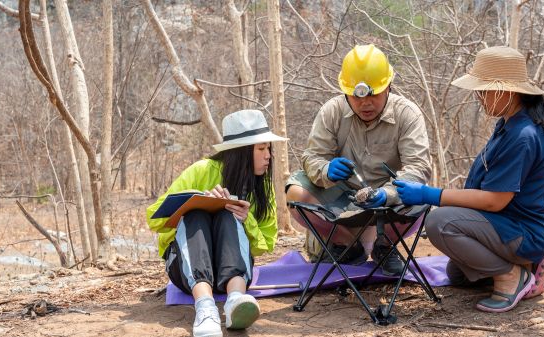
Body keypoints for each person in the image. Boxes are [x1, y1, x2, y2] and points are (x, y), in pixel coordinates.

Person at [394, 46, 544, 313]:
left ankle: (512, 276)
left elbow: (494, 201)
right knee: (459, 275)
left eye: (484, 90)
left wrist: (428, 194)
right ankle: (529, 265)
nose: (479, 97)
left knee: (439, 222)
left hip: (522, 231)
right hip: (505, 225)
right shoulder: (508, 124)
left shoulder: (522, 135)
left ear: (508, 91)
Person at [286, 44, 431, 275]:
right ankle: (347, 246)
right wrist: (325, 170)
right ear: (345, 92)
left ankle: (386, 246)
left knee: (422, 196)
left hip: (389, 200)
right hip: (342, 198)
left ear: (388, 87)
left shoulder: (407, 114)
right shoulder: (332, 111)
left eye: (373, 95)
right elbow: (312, 156)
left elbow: (418, 166)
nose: (365, 103)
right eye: (356, 96)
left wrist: (389, 193)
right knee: (295, 192)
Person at [146, 109, 287, 337]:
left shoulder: (263, 188)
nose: (268, 155)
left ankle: (235, 302)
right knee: (196, 214)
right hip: (187, 272)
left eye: (268, 148)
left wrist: (246, 218)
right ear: (241, 152)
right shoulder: (202, 170)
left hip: (235, 273)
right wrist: (195, 200)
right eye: (261, 149)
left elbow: (266, 244)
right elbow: (154, 218)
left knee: (227, 213)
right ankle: (205, 308)